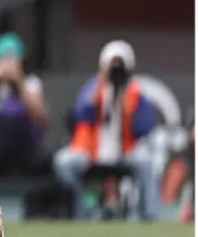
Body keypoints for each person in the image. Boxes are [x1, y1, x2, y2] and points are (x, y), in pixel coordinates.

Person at [54, 40, 160, 220]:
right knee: (63, 161)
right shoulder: (93, 87)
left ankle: (149, 216)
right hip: (92, 152)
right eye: (112, 66)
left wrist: (124, 105)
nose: (115, 72)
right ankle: (80, 213)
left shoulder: (134, 92)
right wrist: (100, 84)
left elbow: (144, 127)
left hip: (124, 153)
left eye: (119, 67)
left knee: (147, 162)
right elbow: (80, 114)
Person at [0, 33, 50, 180]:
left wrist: (19, 83)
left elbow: (41, 118)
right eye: (3, 60)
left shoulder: (31, 83)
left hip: (25, 146)